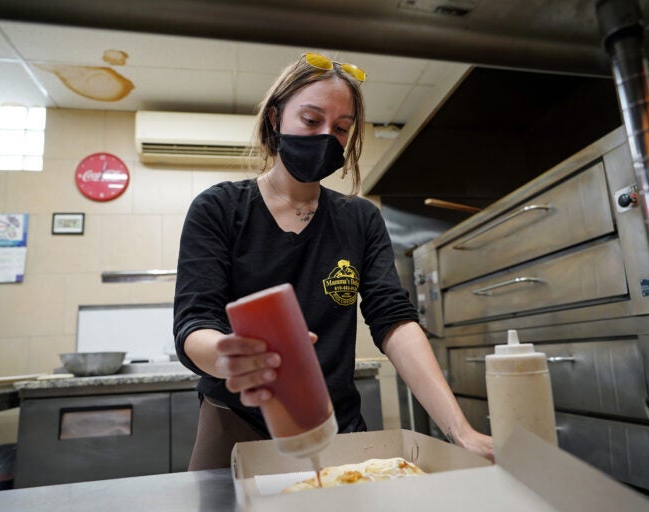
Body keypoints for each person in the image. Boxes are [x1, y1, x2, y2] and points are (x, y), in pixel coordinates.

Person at [173, 52, 494, 470]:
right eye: (311, 120)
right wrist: (231, 355)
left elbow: (393, 320)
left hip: (336, 428)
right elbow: (195, 322)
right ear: (275, 118)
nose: (326, 136)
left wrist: (460, 431)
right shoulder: (219, 209)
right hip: (237, 425)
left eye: (341, 129)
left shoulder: (359, 219)